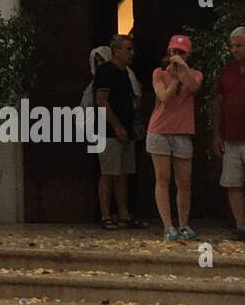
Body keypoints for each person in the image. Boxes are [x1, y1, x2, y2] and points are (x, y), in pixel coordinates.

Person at [146, 35, 202, 241]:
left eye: (181, 52)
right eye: (173, 52)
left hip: (182, 131)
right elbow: (164, 98)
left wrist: (183, 71)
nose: (176, 55)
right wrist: (175, 78)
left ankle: (184, 223)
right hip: (160, 130)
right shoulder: (159, 73)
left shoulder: (195, 74)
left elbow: (195, 88)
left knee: (184, 180)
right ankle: (168, 226)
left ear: (188, 54)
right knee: (163, 178)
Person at [94, 34, 147, 230]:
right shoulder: (106, 72)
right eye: (128, 49)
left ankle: (124, 214)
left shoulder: (124, 73)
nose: (131, 53)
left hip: (126, 130)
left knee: (123, 173)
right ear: (116, 50)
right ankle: (106, 215)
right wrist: (116, 125)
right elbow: (102, 100)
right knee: (108, 173)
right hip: (108, 132)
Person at [213, 27, 245, 241]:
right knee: (233, 183)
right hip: (231, 137)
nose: (235, 49)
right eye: (233, 46)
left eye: (239, 45)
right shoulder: (226, 70)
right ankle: (241, 226)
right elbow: (218, 102)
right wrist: (217, 133)